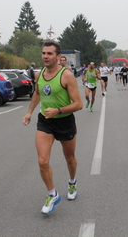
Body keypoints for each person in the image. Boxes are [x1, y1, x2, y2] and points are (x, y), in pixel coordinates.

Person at [22, 40, 83, 214]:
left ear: (58, 57)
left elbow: (79, 104)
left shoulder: (66, 76)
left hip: (64, 121)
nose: (45, 56)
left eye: (49, 53)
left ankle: (72, 182)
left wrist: (57, 110)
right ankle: (52, 194)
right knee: (42, 161)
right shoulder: (38, 75)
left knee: (70, 159)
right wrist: (29, 112)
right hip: (45, 121)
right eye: (43, 53)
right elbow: (37, 93)